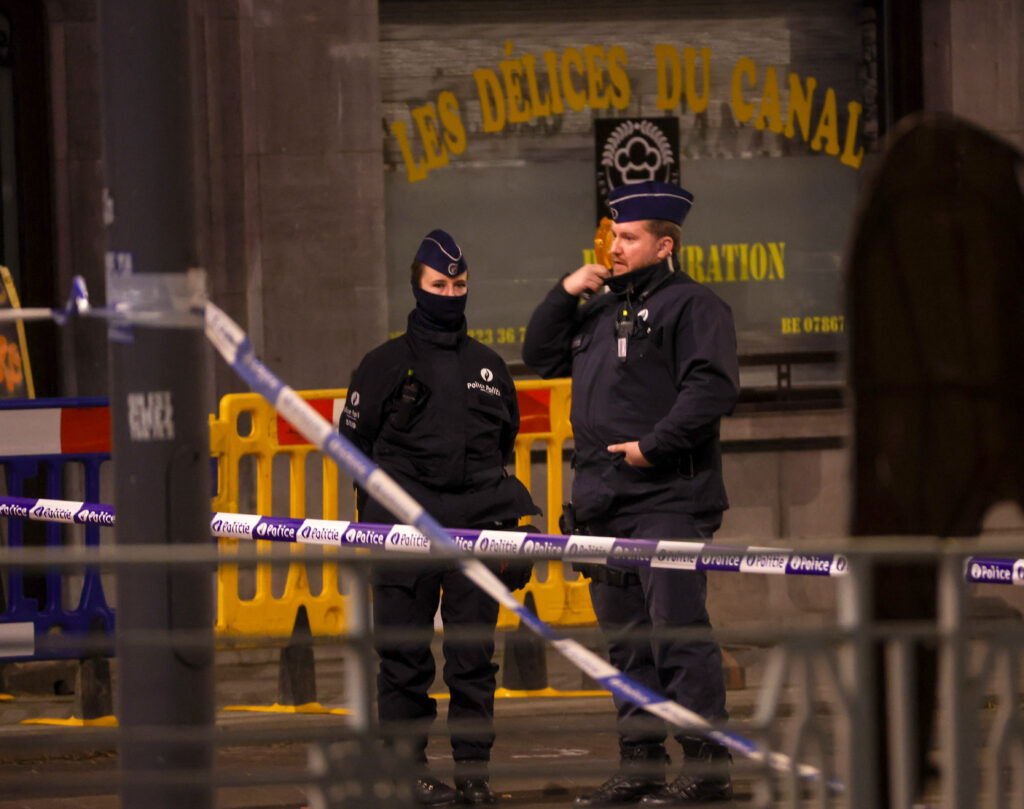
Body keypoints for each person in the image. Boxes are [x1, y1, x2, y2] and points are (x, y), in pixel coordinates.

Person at [522, 181, 740, 806]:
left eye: (627, 238)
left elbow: (712, 389)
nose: (613, 248)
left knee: (677, 630)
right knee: (625, 641)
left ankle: (704, 765)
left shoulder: (694, 307)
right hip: (600, 502)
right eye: (612, 236)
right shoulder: (599, 309)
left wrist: (654, 445)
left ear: (664, 244)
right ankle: (640, 761)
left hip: (666, 495)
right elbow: (539, 355)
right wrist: (567, 291)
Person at [339, 229, 540, 807]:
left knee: (473, 658)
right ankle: (407, 774)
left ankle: (473, 774)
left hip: (474, 525)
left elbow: (504, 439)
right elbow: (352, 446)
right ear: (416, 285)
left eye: (458, 285)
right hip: (403, 527)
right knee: (403, 657)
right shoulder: (383, 365)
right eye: (438, 284)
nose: (449, 295)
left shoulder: (488, 366)